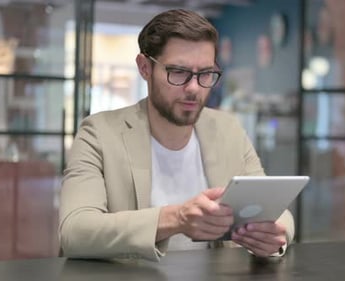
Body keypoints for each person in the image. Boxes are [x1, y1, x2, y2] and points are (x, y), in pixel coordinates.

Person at [58, 9, 295, 262]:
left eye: (205, 74)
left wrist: (276, 235)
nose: (193, 88)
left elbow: (276, 211)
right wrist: (177, 218)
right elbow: (75, 231)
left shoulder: (228, 129)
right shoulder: (99, 134)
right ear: (145, 67)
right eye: (179, 72)